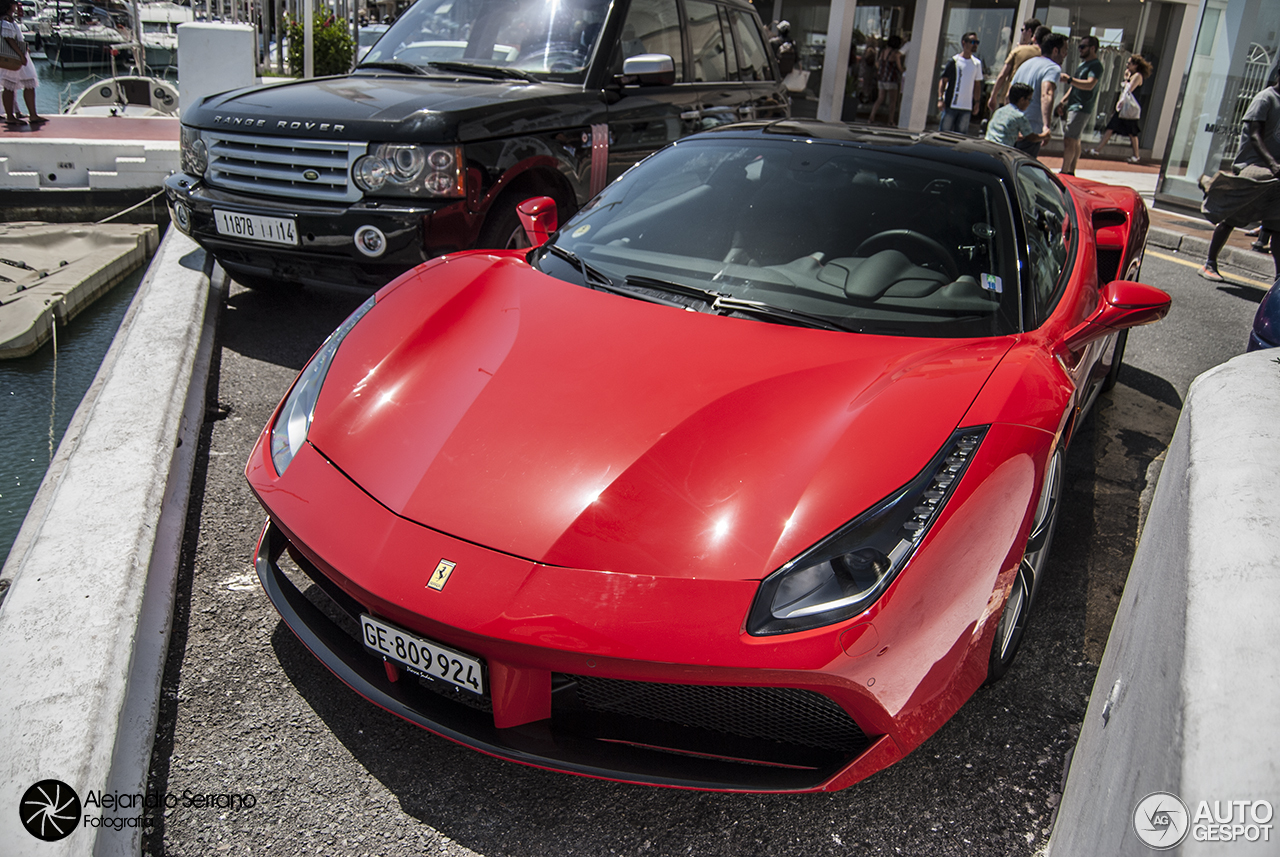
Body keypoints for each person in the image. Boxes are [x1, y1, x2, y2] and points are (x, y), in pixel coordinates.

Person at [1198, 63, 1280, 282]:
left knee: (1277, 224)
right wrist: (1272, 164)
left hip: (1275, 175)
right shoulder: (1265, 99)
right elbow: (1255, 135)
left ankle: (1279, 278)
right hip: (1255, 167)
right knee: (1232, 217)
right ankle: (1209, 263)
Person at [1010, 31, 1067, 158]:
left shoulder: (1026, 64)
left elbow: (1010, 92)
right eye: (1064, 51)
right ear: (1055, 51)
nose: (1066, 55)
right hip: (1031, 128)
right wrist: (1046, 126)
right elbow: (1046, 93)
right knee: (1024, 169)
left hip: (1014, 126)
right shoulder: (1053, 68)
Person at [1089, 55, 1152, 164]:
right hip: (1123, 108)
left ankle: (1136, 155)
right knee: (1111, 128)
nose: (1127, 65)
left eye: (1129, 63)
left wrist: (1126, 79)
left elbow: (1129, 89)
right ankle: (1097, 150)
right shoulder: (1132, 75)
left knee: (1132, 132)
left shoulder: (1137, 76)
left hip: (1130, 108)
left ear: (1135, 65)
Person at [1057, 35, 1102, 175]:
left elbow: (1090, 84)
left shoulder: (1096, 65)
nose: (1080, 50)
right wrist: (1063, 100)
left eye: (1083, 47)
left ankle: (1065, 170)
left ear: (1092, 48)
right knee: (1075, 138)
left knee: (1070, 137)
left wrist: (1069, 79)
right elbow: (1074, 85)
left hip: (1082, 106)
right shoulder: (1083, 65)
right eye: (1079, 47)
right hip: (1074, 104)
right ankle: (1071, 169)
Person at [987, 19, 1043, 114]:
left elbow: (1003, 75)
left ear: (1029, 32)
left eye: (1022, 30)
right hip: (1030, 102)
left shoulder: (1019, 51)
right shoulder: (1044, 55)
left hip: (1010, 97)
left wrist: (993, 95)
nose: (1021, 33)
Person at [0, 0, 41, 125]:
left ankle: (31, 115)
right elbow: (9, 39)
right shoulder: (7, 20)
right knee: (10, 85)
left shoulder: (7, 19)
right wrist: (20, 54)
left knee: (26, 83)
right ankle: (12, 116)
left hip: (16, 56)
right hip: (14, 57)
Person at [937, 32, 983, 135]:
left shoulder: (976, 64)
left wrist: (977, 102)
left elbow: (977, 85)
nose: (974, 45)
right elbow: (943, 80)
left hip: (966, 107)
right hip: (951, 105)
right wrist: (940, 98)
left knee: (961, 136)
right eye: (972, 42)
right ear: (964, 43)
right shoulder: (954, 61)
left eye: (977, 42)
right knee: (944, 134)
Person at [985, 82, 1036, 148]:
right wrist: (1045, 135)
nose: (1029, 103)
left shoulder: (999, 111)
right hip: (1001, 151)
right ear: (1022, 100)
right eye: (1029, 100)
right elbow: (1032, 138)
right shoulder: (1019, 116)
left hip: (987, 146)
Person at [868, 34, 903, 125]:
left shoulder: (883, 52)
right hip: (891, 79)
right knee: (892, 101)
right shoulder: (895, 54)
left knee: (880, 98)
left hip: (882, 78)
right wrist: (903, 70)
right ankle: (890, 120)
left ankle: (871, 116)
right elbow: (899, 67)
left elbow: (877, 63)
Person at [859, 37, 879, 104]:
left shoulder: (867, 50)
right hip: (869, 69)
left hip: (866, 69)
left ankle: (865, 96)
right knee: (868, 84)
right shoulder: (871, 50)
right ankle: (866, 96)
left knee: (866, 84)